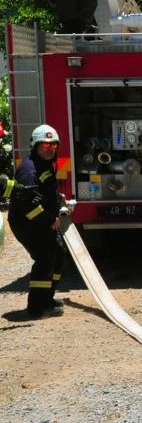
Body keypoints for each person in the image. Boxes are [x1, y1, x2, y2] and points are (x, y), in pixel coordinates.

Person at [8, 124, 67, 319]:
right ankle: (36, 307)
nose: (50, 148)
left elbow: (43, 192)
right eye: (45, 145)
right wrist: (50, 220)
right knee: (45, 258)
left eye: (53, 145)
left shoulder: (44, 164)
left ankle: (47, 299)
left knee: (57, 254)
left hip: (40, 221)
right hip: (27, 223)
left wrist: (58, 199)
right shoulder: (29, 169)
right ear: (35, 145)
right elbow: (28, 205)